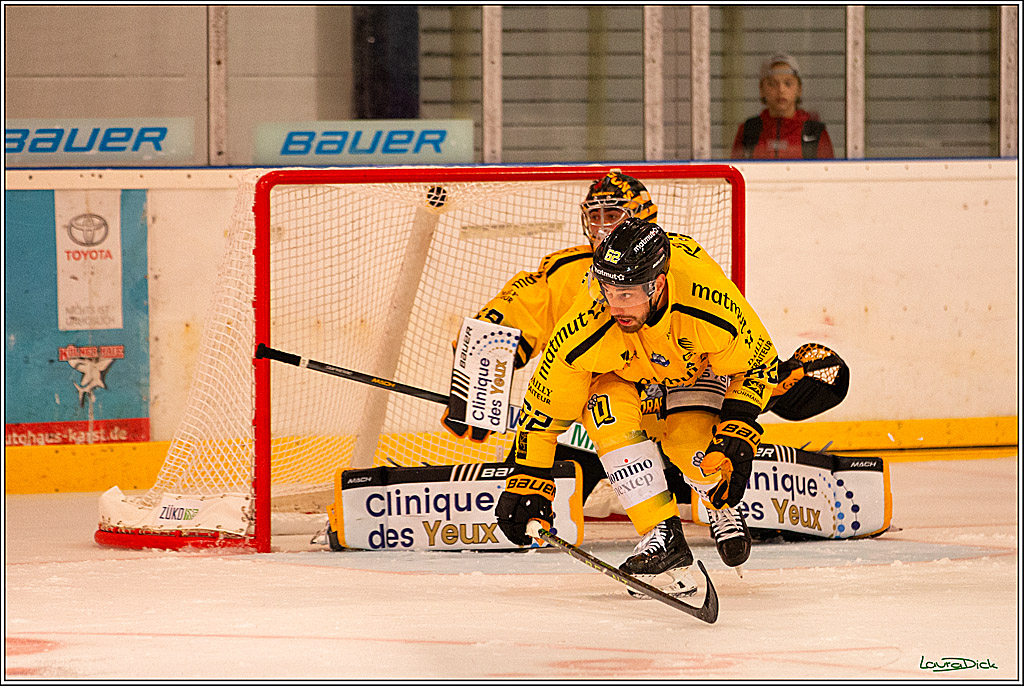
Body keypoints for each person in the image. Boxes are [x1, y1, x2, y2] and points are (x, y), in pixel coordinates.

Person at [494, 217, 779, 597]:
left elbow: (758, 364)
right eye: (606, 290)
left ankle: (716, 499)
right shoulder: (589, 322)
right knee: (602, 411)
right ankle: (662, 535)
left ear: (658, 284)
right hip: (625, 371)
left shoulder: (710, 306)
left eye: (626, 294)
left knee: (690, 447)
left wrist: (738, 425)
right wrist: (527, 478)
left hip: (695, 365)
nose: (614, 305)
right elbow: (544, 408)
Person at [731, 52, 834, 160]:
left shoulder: (814, 132)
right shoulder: (748, 130)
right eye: (772, 84)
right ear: (761, 89)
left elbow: (829, 173)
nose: (781, 90)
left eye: (788, 83)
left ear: (799, 89)